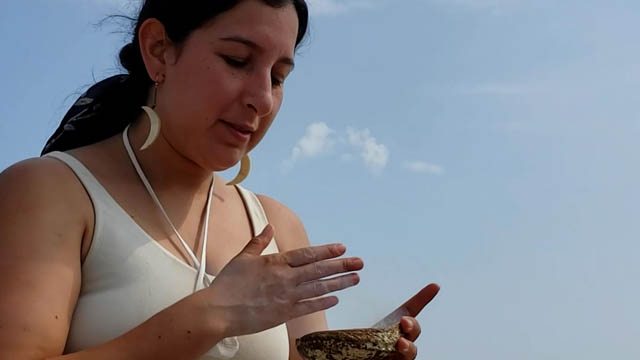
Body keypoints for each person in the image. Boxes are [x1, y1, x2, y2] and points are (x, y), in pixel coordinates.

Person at [0, 0, 438, 359]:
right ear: (157, 50)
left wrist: (358, 353)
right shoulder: (50, 192)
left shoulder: (276, 225)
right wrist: (212, 314)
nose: (263, 99)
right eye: (237, 60)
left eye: (278, 77)